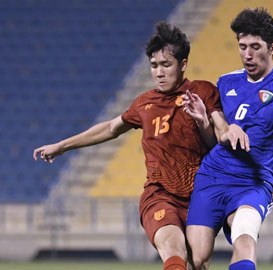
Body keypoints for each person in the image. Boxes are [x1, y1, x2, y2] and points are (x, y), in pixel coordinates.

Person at [33, 21, 246, 270]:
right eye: (154, 66)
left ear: (183, 65)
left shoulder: (202, 92)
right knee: (174, 250)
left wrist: (203, 123)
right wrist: (62, 146)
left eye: (166, 65)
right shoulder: (144, 103)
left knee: (198, 264)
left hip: (199, 197)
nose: (159, 72)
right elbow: (110, 128)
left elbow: (218, 141)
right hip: (160, 195)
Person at [183, 7, 273, 270]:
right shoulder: (226, 82)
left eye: (255, 46)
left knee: (245, 237)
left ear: (272, 47)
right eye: (242, 47)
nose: (247, 54)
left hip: (253, 182)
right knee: (197, 259)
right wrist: (205, 122)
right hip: (212, 178)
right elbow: (217, 137)